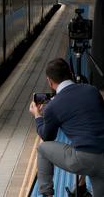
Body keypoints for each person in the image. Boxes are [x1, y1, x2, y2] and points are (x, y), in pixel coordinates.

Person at [30, 58, 104, 197]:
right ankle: (81, 188)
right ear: (70, 73)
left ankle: (47, 195)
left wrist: (38, 116)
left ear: (49, 81)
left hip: (84, 159)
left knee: (42, 149)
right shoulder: (92, 90)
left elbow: (47, 137)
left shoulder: (53, 106)